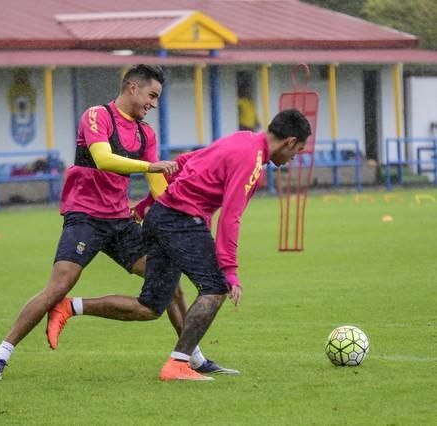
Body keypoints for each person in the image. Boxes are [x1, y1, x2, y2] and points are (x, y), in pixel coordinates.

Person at [0, 64, 225, 381]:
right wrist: (151, 166)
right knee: (58, 287)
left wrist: (181, 211)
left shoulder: (145, 133)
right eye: (151, 95)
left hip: (121, 220)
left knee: (168, 282)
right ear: (132, 88)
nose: (153, 104)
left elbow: (158, 188)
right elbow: (103, 158)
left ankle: (192, 357)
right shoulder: (98, 116)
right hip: (84, 216)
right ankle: (1, 354)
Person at [47, 109, 312, 381]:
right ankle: (179, 363)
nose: (293, 158)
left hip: (164, 215)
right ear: (289, 141)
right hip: (180, 220)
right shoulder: (252, 160)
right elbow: (231, 217)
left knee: (150, 307)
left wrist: (150, 204)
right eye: (298, 151)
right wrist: (230, 271)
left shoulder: (242, 138)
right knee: (215, 288)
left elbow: (186, 161)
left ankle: (70, 307)